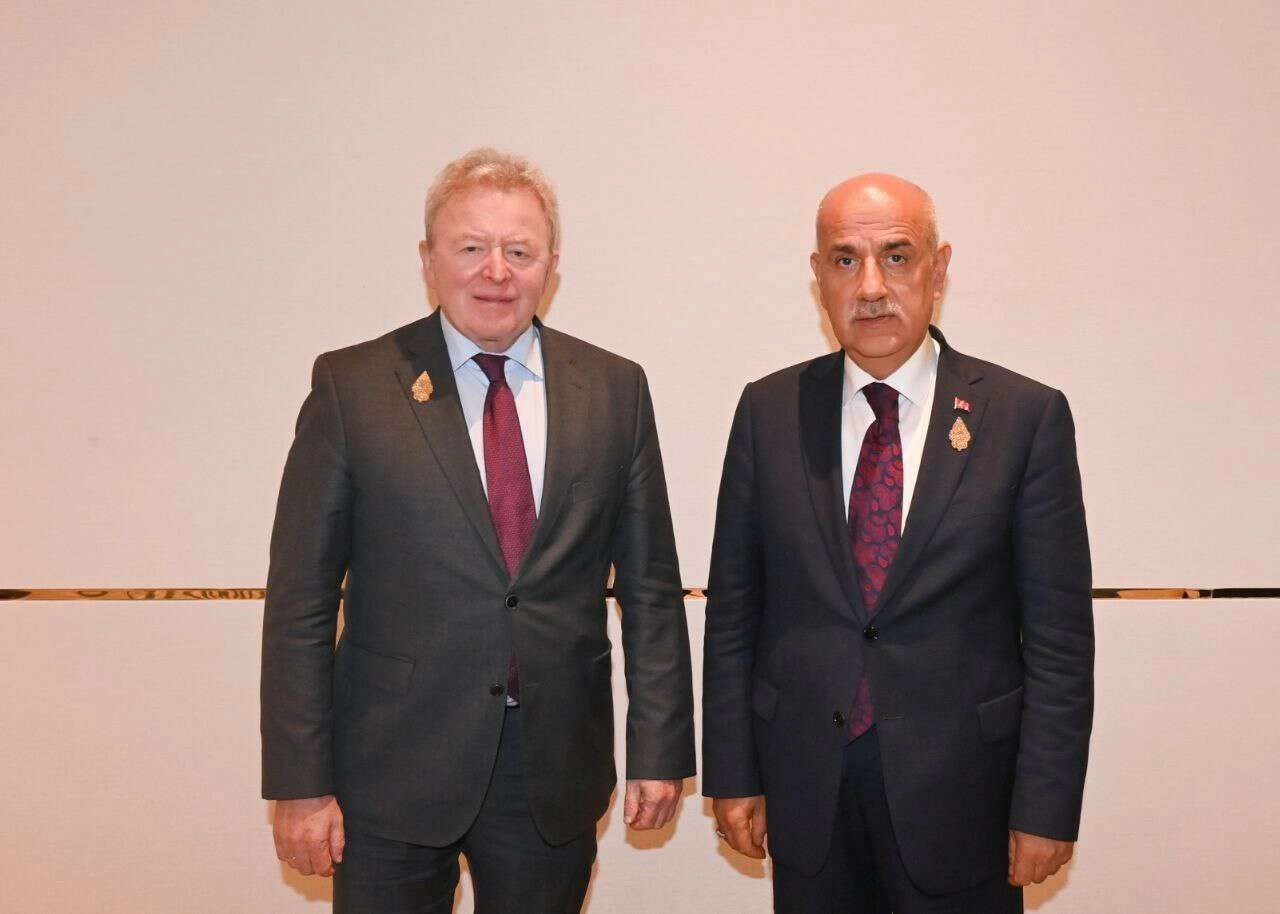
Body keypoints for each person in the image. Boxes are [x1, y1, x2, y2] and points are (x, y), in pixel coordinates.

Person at [261, 148, 695, 913]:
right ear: (429, 260)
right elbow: (302, 599)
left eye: (519, 251)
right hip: (390, 766)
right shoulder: (353, 388)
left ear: (551, 267)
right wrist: (300, 783)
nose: (496, 271)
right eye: (471, 247)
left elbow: (652, 590)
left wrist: (660, 748)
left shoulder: (615, 390)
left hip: (552, 768)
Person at [702, 173, 1093, 913]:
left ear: (938, 270)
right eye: (845, 260)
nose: (872, 286)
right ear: (818, 277)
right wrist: (733, 771)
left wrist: (1046, 805)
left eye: (897, 256)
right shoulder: (767, 411)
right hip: (807, 784)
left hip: (965, 795)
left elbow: (1060, 640)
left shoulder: (1024, 417)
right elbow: (734, 613)